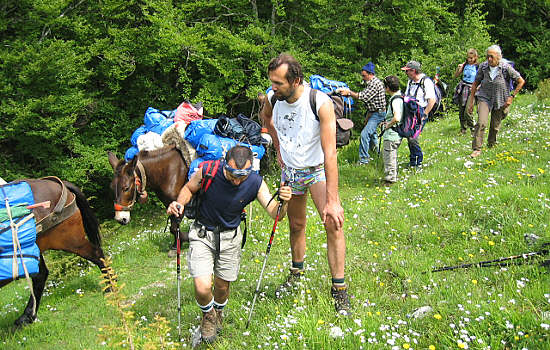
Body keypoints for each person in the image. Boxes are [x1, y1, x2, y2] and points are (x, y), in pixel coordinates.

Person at [166, 145, 291, 344]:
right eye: (232, 173)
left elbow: (276, 213)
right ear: (225, 164)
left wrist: (285, 202)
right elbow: (189, 188)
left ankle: (219, 313)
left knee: (222, 288)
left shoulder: (255, 183)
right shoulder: (208, 171)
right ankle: (208, 316)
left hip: (230, 238)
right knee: (202, 287)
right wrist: (179, 203)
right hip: (202, 234)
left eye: (242, 175)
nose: (237, 180)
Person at [260, 53, 350, 316]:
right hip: (290, 171)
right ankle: (296, 273)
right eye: (272, 82)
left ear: (296, 79)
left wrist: (333, 201)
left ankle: (339, 290)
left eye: (278, 83)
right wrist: (277, 148)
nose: (273, 88)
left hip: (316, 170)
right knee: (296, 224)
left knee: (333, 223)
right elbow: (267, 119)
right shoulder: (272, 98)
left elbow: (330, 153)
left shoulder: (319, 103)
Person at [466, 45, 525, 158]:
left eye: (491, 57)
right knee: (481, 122)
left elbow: (521, 81)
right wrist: (471, 101)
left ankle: (491, 143)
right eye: (487, 56)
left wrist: (511, 97)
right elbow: (475, 84)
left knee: (495, 125)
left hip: (500, 99)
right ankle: (477, 149)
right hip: (484, 98)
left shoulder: (505, 68)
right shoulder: (483, 67)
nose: (489, 59)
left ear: (498, 57)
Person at [337, 62, 386, 164]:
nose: (363, 78)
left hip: (378, 113)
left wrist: (349, 93)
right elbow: (370, 103)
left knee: (364, 135)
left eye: (364, 76)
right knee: (372, 134)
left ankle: (363, 160)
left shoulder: (375, 83)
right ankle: (377, 154)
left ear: (370, 74)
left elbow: (363, 97)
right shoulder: (370, 83)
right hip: (373, 112)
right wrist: (368, 116)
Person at [401, 60, 436, 167]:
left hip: (420, 113)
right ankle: (413, 161)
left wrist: (424, 115)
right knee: (409, 136)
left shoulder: (426, 82)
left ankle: (418, 162)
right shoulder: (410, 81)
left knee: (413, 138)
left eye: (407, 71)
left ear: (414, 71)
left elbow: (432, 100)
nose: (406, 73)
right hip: (410, 112)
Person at [380, 76, 404, 185]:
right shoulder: (400, 96)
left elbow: (397, 117)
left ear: (388, 87)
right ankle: (391, 177)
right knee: (391, 156)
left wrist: (387, 125)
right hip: (397, 132)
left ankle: (390, 180)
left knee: (389, 157)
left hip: (392, 134)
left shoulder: (395, 100)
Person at [453, 48, 479, 135]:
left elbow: (482, 79)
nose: (470, 59)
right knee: (461, 110)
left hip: (472, 89)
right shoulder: (464, 65)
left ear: (475, 57)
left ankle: (473, 128)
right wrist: (458, 68)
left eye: (472, 58)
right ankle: (463, 129)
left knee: (468, 110)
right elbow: (456, 75)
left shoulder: (478, 67)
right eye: (468, 58)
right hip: (463, 88)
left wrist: (478, 87)